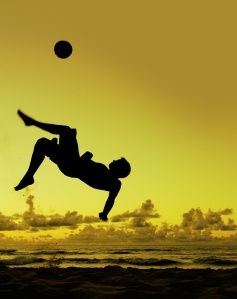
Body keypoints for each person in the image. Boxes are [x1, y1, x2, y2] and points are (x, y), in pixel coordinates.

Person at [14, 110, 131, 221]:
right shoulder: (108, 175)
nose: (114, 160)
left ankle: (34, 124)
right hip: (71, 164)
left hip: (72, 166)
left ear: (119, 169)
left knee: (66, 131)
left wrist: (86, 157)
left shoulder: (113, 182)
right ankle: (29, 176)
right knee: (43, 143)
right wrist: (105, 213)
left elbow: (110, 199)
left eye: (117, 162)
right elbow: (110, 199)